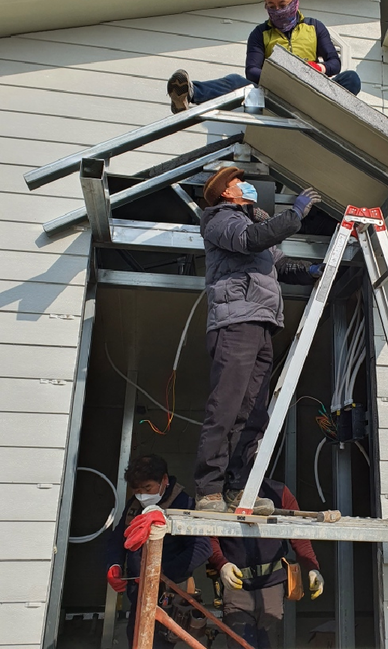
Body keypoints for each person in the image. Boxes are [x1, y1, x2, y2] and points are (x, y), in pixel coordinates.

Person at [194, 166, 323, 513]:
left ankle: (237, 487)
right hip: (236, 321)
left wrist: (309, 271)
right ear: (226, 192)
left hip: (261, 323)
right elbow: (252, 240)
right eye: (240, 182)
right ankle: (208, 489)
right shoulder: (221, 219)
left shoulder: (250, 226)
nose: (247, 186)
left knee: (253, 412)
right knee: (226, 406)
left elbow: (276, 262)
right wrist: (292, 215)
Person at [167, 0, 361, 113]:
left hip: (311, 90)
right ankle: (187, 93)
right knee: (235, 81)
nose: (277, 10)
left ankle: (325, 114)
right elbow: (251, 70)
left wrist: (317, 68)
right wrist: (279, 76)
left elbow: (334, 63)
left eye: (282, 5)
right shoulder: (260, 33)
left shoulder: (314, 27)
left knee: (351, 78)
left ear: (295, 3)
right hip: (276, 92)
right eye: (271, 6)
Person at [106, 454, 212, 649]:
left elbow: (202, 547)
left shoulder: (184, 505)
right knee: (136, 639)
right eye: (137, 490)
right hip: (138, 595)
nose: (142, 495)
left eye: (147, 489)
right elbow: (118, 538)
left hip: (168, 597)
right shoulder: (135, 505)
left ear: (164, 480)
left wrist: (161, 574)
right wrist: (114, 564)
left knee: (158, 643)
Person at [209, 478, 324, 649]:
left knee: (266, 644)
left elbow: (298, 533)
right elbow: (208, 536)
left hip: (272, 587)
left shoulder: (278, 491)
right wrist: (222, 565)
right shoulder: (218, 495)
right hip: (237, 588)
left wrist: (312, 567)